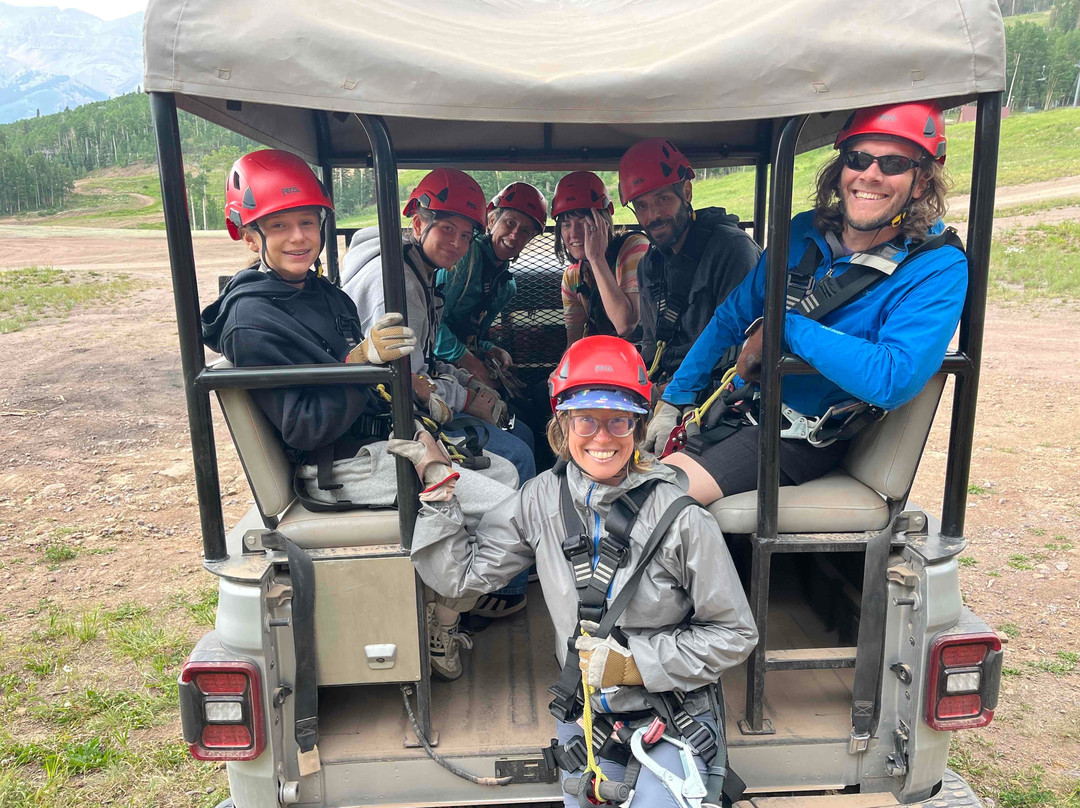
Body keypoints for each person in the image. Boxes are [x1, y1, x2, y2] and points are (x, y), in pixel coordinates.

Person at [394, 335, 757, 808]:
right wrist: (441, 486)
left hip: (669, 710)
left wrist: (637, 663)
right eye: (586, 419)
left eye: (618, 421)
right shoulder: (541, 498)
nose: (602, 437)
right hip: (587, 713)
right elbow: (461, 577)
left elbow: (734, 633)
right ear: (563, 424)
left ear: (638, 426)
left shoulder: (683, 518)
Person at [201, 150, 515, 680]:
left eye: (307, 222)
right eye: (279, 226)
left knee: (505, 472)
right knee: (517, 512)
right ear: (249, 236)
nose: (299, 237)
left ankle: (442, 598)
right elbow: (306, 425)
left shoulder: (320, 294)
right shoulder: (252, 321)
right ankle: (444, 613)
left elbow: (377, 385)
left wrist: (422, 427)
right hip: (336, 466)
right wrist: (361, 362)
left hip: (374, 441)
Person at [648, 101, 967, 506]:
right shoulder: (802, 232)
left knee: (655, 499)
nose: (871, 173)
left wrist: (786, 328)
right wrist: (677, 397)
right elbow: (732, 317)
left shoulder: (936, 266)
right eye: (858, 158)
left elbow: (893, 377)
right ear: (842, 170)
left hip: (804, 438)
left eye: (893, 163)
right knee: (626, 471)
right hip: (743, 409)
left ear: (921, 181)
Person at [342, 168, 536, 618]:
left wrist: (466, 379)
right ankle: (499, 590)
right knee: (520, 454)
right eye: (446, 228)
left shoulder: (420, 274)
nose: (456, 242)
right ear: (417, 223)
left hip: (417, 408)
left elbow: (425, 359)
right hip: (395, 425)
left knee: (521, 432)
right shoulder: (396, 281)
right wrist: (467, 396)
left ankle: (507, 564)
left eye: (466, 234)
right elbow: (403, 382)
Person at [619, 138, 762, 391]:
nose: (652, 216)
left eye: (662, 198)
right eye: (641, 206)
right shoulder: (650, 266)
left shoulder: (732, 250)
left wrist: (669, 395)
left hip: (716, 391)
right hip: (666, 386)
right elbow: (652, 346)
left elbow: (740, 352)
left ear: (686, 192)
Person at [435, 181, 546, 387]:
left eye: (524, 231)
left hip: (453, 363)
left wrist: (490, 349)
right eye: (510, 223)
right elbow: (431, 325)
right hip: (431, 363)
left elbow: (471, 336)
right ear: (492, 219)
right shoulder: (465, 257)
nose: (514, 235)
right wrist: (470, 362)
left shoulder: (505, 286)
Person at [554, 171, 649, 345]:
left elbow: (625, 325)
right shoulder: (573, 277)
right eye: (566, 225)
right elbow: (574, 343)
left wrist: (596, 259)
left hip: (646, 359)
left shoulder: (634, 247)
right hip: (605, 361)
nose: (574, 234)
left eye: (582, 222)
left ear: (602, 222)